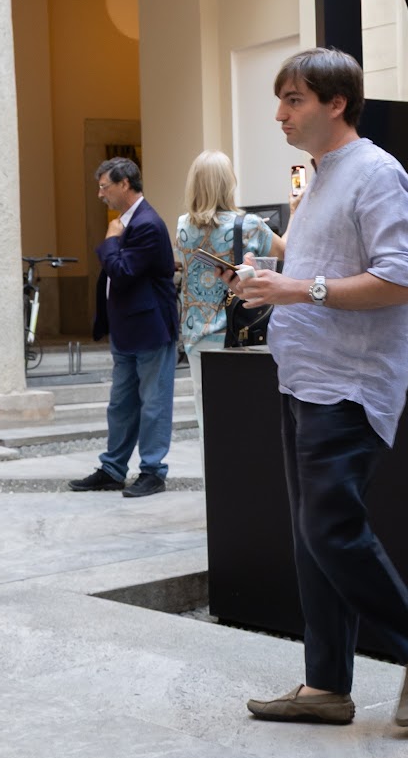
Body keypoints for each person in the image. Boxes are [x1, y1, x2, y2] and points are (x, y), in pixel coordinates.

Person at [231, 47, 408, 728]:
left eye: (293, 100)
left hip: (350, 385)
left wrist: (294, 285)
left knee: (329, 528)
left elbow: (399, 279)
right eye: (281, 100)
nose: (279, 114)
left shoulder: (380, 176)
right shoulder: (321, 176)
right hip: (304, 378)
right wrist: (267, 264)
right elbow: (316, 262)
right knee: (311, 536)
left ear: (337, 103)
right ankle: (326, 685)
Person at [70, 157, 177, 498]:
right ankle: (113, 469)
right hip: (128, 329)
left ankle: (153, 471)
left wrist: (111, 240)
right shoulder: (128, 221)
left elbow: (124, 272)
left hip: (151, 328)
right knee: (121, 404)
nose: (101, 194)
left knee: (153, 403)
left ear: (125, 184)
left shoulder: (146, 224)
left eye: (105, 187)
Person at [174, 150, 283, 444]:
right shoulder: (250, 225)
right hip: (240, 331)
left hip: (196, 334)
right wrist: (297, 211)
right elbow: (286, 252)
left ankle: (213, 486)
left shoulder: (182, 225)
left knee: (206, 421)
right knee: (246, 417)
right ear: (228, 183)